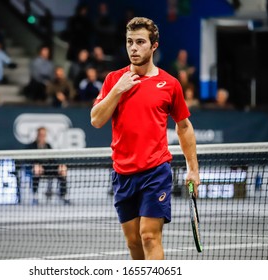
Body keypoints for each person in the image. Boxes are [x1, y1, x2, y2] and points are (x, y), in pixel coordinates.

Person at [90, 17, 200, 260]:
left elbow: (184, 127)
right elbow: (96, 120)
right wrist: (118, 89)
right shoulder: (113, 80)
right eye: (130, 42)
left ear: (154, 46)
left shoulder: (170, 84)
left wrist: (193, 169)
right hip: (122, 174)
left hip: (155, 172)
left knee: (149, 236)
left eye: (140, 42)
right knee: (133, 244)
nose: (133, 47)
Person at [27, 127, 69, 205]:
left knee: (63, 169)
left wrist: (60, 166)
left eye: (44, 135)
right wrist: (35, 165)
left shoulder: (48, 145)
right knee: (37, 170)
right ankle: (35, 196)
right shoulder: (31, 146)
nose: (42, 137)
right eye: (41, 135)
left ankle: (64, 196)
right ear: (37, 135)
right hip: (36, 169)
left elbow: (53, 160)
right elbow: (27, 160)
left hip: (48, 169)